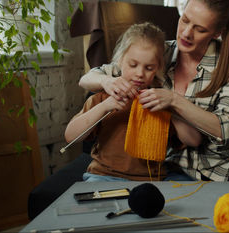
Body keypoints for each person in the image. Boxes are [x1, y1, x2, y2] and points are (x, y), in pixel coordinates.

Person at [78, 0, 229, 232]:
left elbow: (227, 131)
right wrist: (108, 81)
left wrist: (175, 101)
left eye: (199, 29)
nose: (186, 33)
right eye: (185, 20)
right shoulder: (159, 52)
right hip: (172, 169)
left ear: (217, 32)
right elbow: (90, 77)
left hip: (225, 164)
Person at [65, 22, 197, 182]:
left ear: (159, 67)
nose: (140, 73)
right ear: (120, 60)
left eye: (149, 68)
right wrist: (105, 107)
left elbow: (194, 140)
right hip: (104, 176)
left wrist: (171, 107)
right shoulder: (103, 97)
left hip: (153, 181)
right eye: (133, 65)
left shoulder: (162, 99)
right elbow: (70, 136)